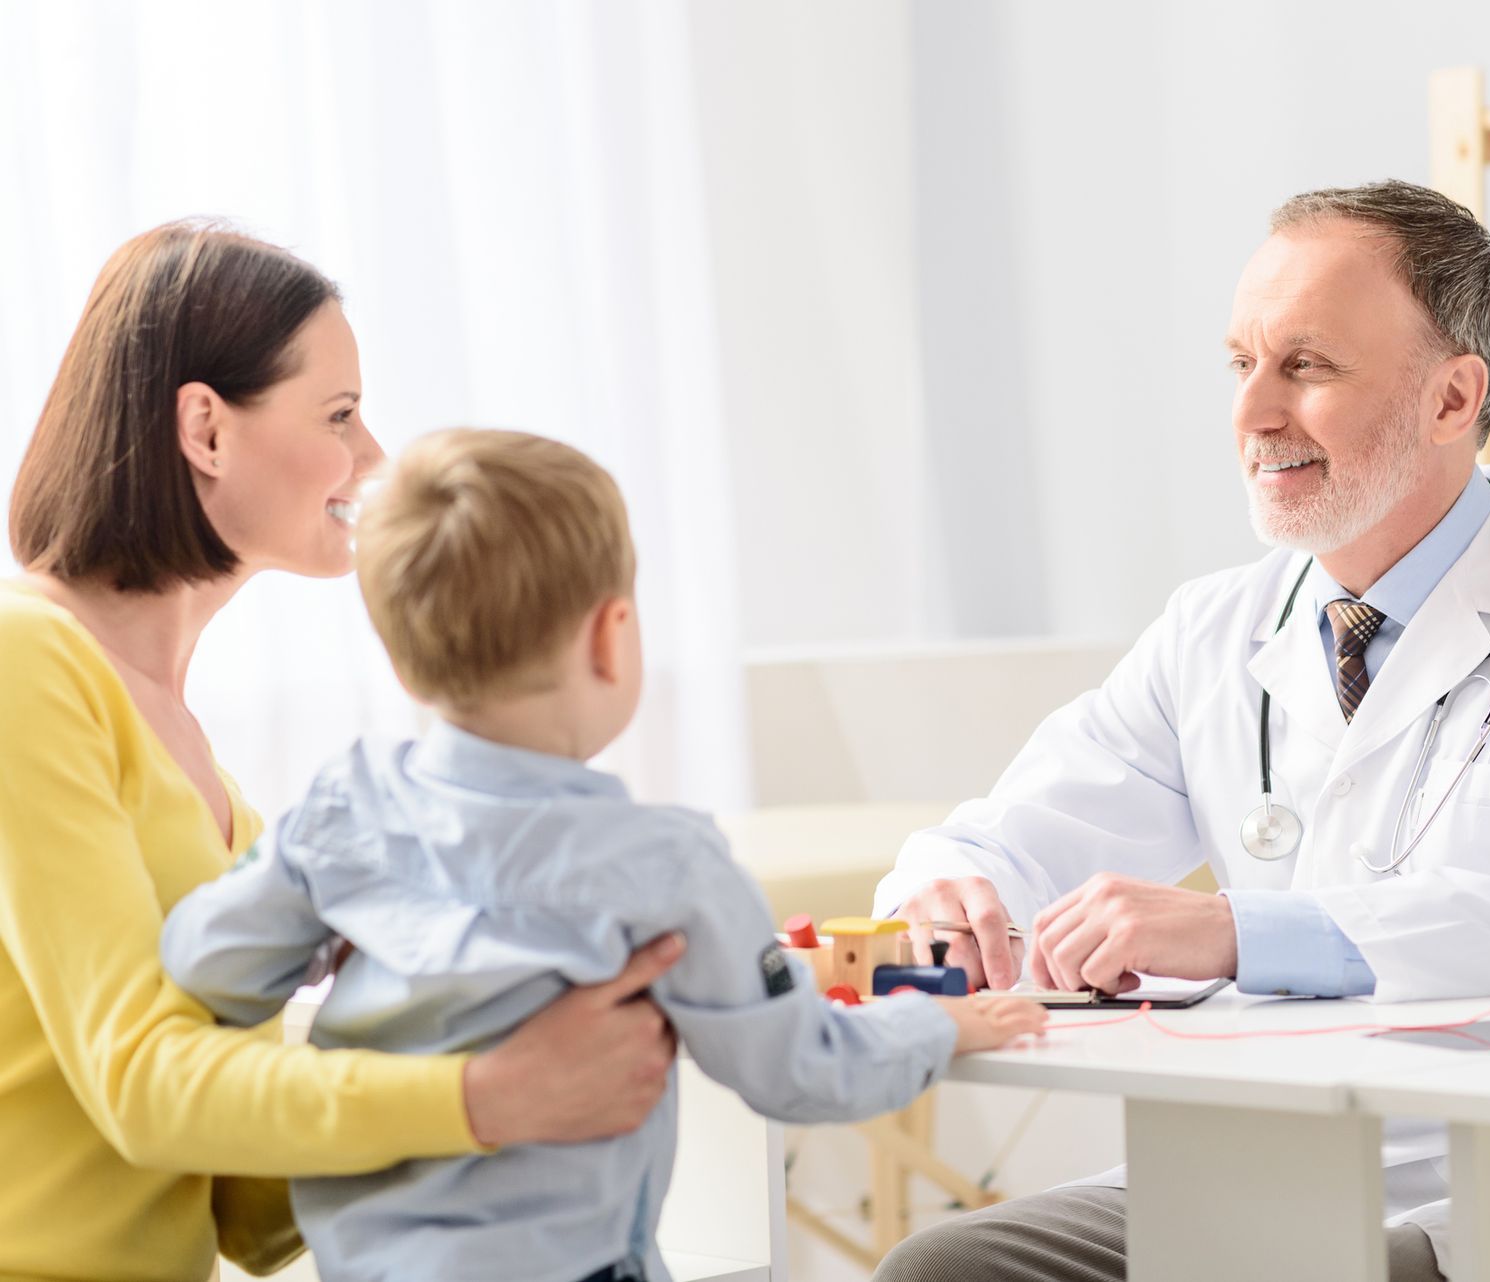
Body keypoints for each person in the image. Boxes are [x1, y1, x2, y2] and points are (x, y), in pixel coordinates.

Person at [871, 180, 1490, 1280]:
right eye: (1243, 364)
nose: (1253, 414)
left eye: (1308, 366)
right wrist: (947, 886)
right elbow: (1019, 831)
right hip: (1263, 1158)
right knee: (942, 1270)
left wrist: (1246, 931)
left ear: (1452, 397)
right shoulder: (1217, 628)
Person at [161, 428, 1048, 1282]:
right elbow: (800, 1068)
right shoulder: (668, 867)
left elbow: (203, 957)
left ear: (398, 661)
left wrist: (330, 938)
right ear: (610, 635)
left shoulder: (340, 812)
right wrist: (938, 1025)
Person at [0, 223, 682, 1282]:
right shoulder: (23, 662)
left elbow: (255, 1214)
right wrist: (492, 1091)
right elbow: (140, 1084)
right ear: (205, 429)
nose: (373, 458)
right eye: (341, 414)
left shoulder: (202, 771)